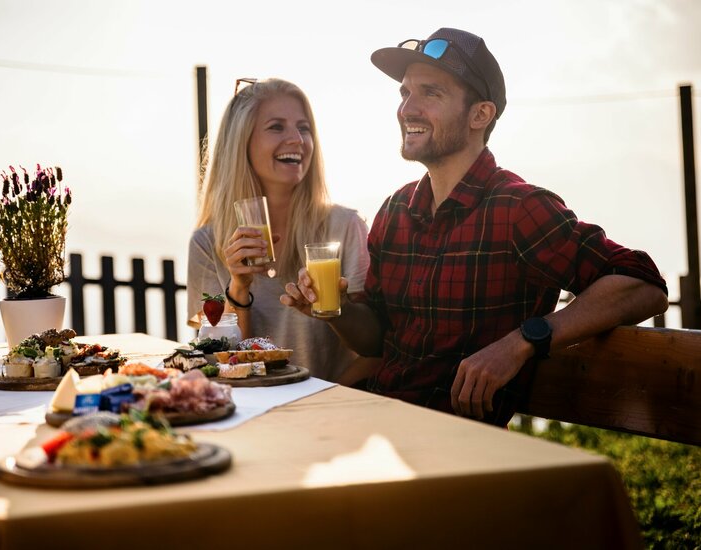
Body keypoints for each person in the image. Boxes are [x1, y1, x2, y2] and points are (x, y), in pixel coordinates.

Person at [281, 28, 669, 425]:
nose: (407, 109)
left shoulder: (519, 207)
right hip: (380, 430)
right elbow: (377, 340)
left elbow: (643, 284)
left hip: (458, 448)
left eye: (430, 93)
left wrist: (523, 341)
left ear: (480, 114)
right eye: (405, 93)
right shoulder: (396, 209)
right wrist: (335, 310)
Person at [187, 78, 371, 383]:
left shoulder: (345, 227)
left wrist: (318, 398)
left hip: (331, 411)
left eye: (304, 127)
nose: (297, 139)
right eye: (276, 127)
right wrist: (238, 289)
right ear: (241, 143)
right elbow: (220, 363)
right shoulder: (207, 243)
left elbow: (375, 349)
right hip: (251, 410)